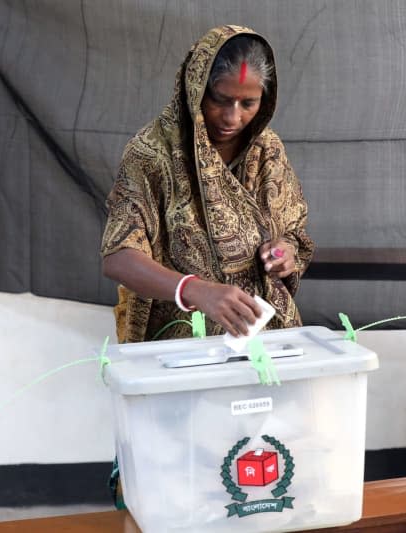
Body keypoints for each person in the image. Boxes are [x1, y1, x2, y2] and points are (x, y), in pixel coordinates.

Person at [101, 25, 314, 346]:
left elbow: (294, 235)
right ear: (196, 87)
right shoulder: (152, 153)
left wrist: (284, 252)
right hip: (182, 337)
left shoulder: (266, 150)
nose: (232, 117)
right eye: (220, 100)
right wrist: (195, 290)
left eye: (248, 103)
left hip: (263, 331)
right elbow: (118, 255)